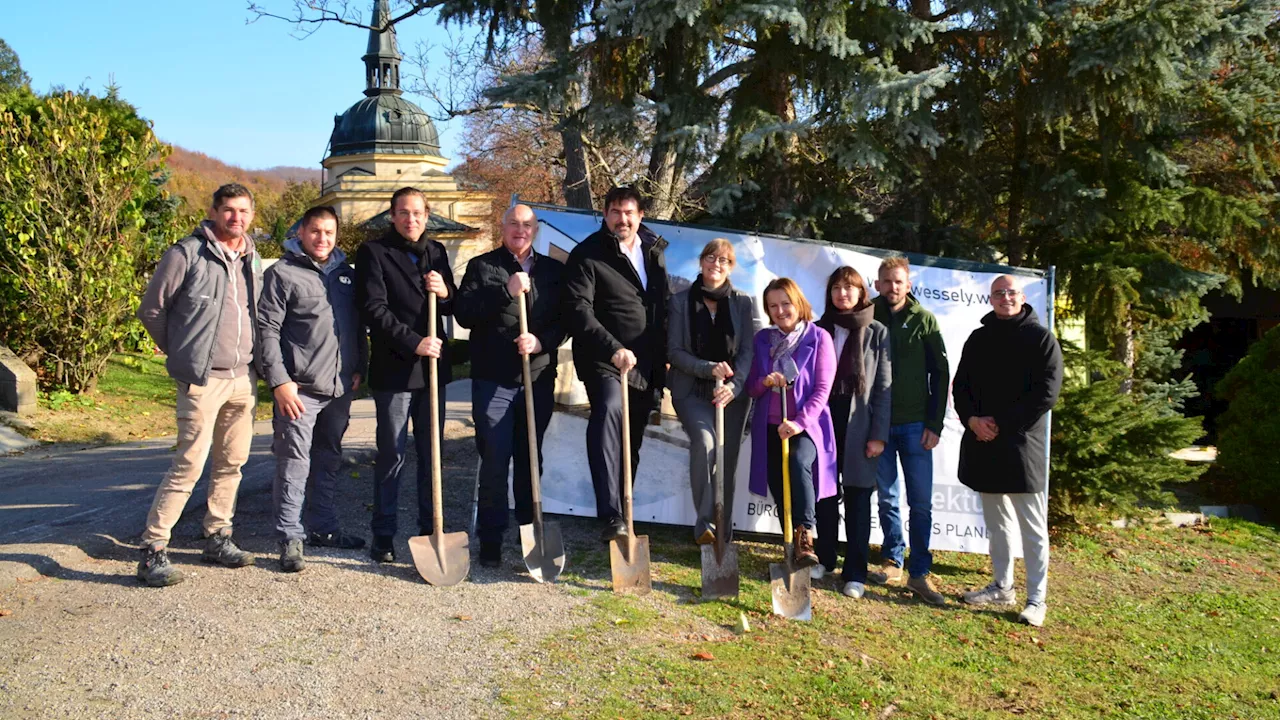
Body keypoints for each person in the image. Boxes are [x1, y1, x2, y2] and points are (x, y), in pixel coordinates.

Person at [134, 183, 263, 587]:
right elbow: (152, 310)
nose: (235, 218)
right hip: (202, 382)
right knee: (189, 464)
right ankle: (154, 549)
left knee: (232, 464)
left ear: (251, 216)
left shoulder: (252, 256)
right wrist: (182, 353)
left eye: (243, 211)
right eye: (228, 210)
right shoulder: (186, 253)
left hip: (243, 377)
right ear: (213, 211)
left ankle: (218, 536)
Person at [257, 206, 368, 573]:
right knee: (294, 464)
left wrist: (358, 369)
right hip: (298, 390)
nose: (323, 239)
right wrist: (279, 382)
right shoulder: (281, 274)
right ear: (301, 233)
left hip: (339, 388)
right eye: (316, 231)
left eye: (329, 232)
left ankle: (324, 529)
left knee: (328, 459)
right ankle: (290, 537)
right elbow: (267, 331)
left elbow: (355, 328)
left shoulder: (345, 275)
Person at [454, 204, 565, 568]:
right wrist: (505, 289)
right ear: (502, 227)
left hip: (537, 380)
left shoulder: (552, 271)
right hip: (494, 382)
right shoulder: (482, 267)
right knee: (495, 460)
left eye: (527, 224)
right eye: (514, 223)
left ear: (536, 229)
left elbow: (565, 323)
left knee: (531, 462)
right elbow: (465, 314)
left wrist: (540, 342)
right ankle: (490, 541)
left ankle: (530, 539)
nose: (520, 229)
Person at [953, 275, 1063, 627]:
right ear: (990, 298)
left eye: (1010, 292)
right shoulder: (979, 338)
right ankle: (1002, 586)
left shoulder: (1041, 338)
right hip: (983, 443)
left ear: (1023, 296)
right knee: (997, 524)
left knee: (1032, 528)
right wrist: (972, 420)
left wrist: (1000, 423)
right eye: (998, 293)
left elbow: (1046, 393)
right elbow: (962, 387)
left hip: (1021, 446)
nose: (1005, 298)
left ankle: (1036, 599)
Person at [563, 186, 670, 543]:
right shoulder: (587, 255)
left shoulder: (654, 252)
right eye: (614, 212)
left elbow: (661, 307)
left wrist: (665, 354)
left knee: (632, 438)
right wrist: (613, 348)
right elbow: (579, 310)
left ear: (640, 216)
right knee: (609, 411)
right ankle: (610, 515)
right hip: (604, 359)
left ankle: (624, 509)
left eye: (628, 213)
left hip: (646, 362)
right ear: (604, 215)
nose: (622, 219)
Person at [355, 187, 457, 563]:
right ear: (392, 216)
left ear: (427, 215)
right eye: (403, 213)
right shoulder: (374, 253)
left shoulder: (437, 252)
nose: (410, 219)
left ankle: (431, 529)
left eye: (417, 213)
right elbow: (373, 310)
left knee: (433, 454)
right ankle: (383, 534)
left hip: (433, 371)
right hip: (396, 369)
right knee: (392, 454)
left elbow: (455, 304)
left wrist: (445, 291)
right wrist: (414, 342)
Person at [667, 239, 761, 545]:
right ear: (701, 261)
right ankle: (705, 524)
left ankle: (724, 535)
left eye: (724, 260)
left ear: (730, 266)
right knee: (706, 444)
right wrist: (709, 368)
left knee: (728, 460)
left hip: (733, 395)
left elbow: (747, 352)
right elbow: (675, 352)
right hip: (692, 390)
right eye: (711, 257)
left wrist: (734, 386)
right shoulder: (681, 302)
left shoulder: (743, 302)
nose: (716, 264)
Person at [872, 255, 949, 605]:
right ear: (877, 284)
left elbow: (941, 373)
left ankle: (919, 571)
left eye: (898, 282)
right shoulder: (867, 314)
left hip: (918, 424)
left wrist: (935, 423)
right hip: (879, 424)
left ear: (909, 284)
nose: (892, 287)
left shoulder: (925, 320)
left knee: (920, 503)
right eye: (886, 281)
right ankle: (893, 561)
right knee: (887, 498)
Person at [746, 278, 837, 569]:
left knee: (798, 462)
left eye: (785, 303)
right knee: (777, 480)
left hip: (806, 425)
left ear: (798, 302)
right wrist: (765, 381)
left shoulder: (819, 337)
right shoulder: (762, 339)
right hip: (769, 424)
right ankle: (791, 543)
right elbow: (752, 388)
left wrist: (799, 423)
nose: (780, 310)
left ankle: (805, 536)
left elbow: (823, 389)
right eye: (773, 306)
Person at [813, 267, 892, 598]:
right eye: (836, 288)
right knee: (826, 495)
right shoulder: (818, 329)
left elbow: (884, 388)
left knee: (859, 497)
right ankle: (825, 559)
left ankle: (855, 573)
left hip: (860, 424)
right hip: (824, 421)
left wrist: (879, 435)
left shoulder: (877, 332)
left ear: (862, 293)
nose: (842, 294)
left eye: (849, 288)